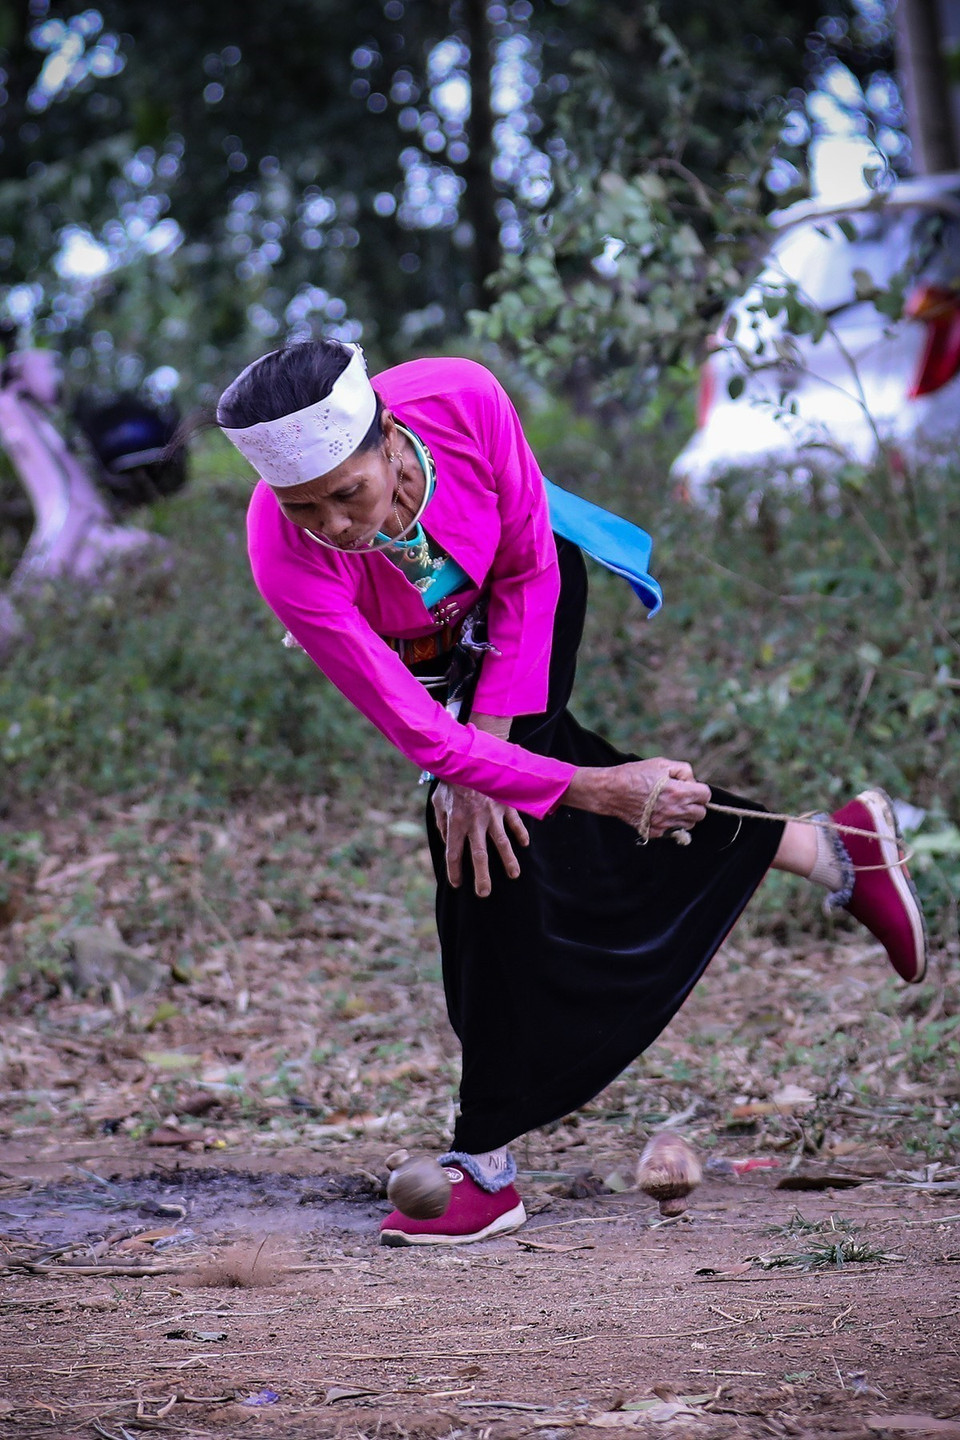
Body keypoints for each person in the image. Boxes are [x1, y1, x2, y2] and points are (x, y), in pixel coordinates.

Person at [217, 341, 928, 1247]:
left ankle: (484, 1167)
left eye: (345, 495)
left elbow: (526, 571)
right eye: (301, 506)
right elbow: (422, 732)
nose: (335, 526)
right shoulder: (284, 553)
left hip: (529, 596)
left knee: (483, 851)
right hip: (431, 669)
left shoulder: (461, 399)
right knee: (498, 825)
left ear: (390, 438)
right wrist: (575, 786)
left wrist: (495, 763)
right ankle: (830, 848)